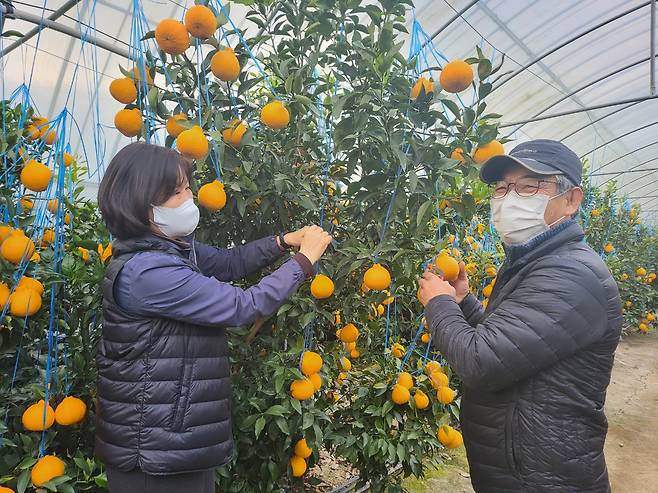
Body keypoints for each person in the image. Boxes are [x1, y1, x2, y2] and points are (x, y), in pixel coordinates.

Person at [94, 142, 332, 493]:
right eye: (178, 192)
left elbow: (227, 263)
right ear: (143, 204)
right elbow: (242, 306)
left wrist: (282, 242)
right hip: (154, 452)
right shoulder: (148, 271)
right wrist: (304, 261)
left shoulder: (168, 248)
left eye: (187, 187)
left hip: (173, 440)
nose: (190, 197)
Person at [418, 139, 622, 492]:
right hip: (524, 469)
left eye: (529, 187)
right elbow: (511, 344)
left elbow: (480, 361)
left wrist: (439, 303)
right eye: (501, 188)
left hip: (543, 478)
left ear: (571, 199)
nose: (509, 199)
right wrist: (464, 302)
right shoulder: (536, 263)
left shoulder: (570, 274)